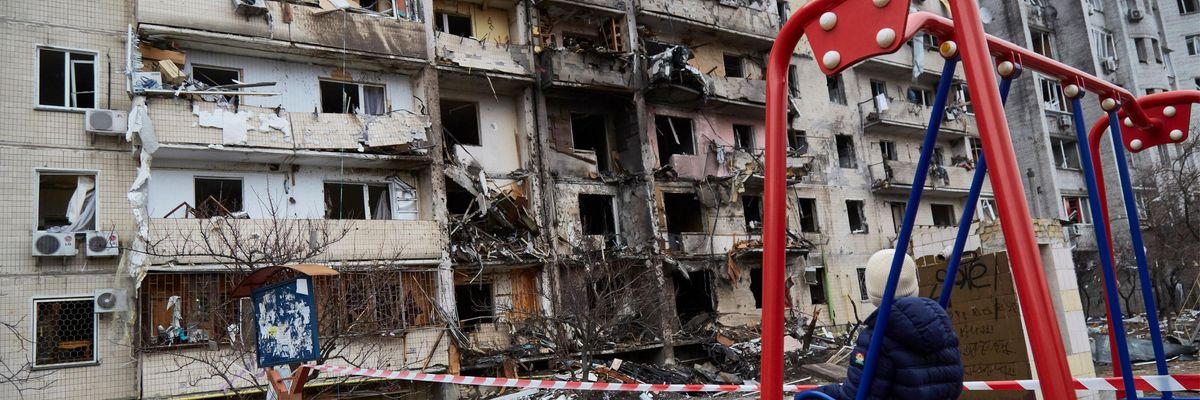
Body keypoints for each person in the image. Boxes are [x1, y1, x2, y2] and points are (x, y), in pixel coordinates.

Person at [802, 249, 963, 400]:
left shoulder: (877, 337)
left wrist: (813, 393)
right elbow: (955, 383)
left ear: (872, 291)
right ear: (915, 284)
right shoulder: (941, 325)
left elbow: (857, 395)